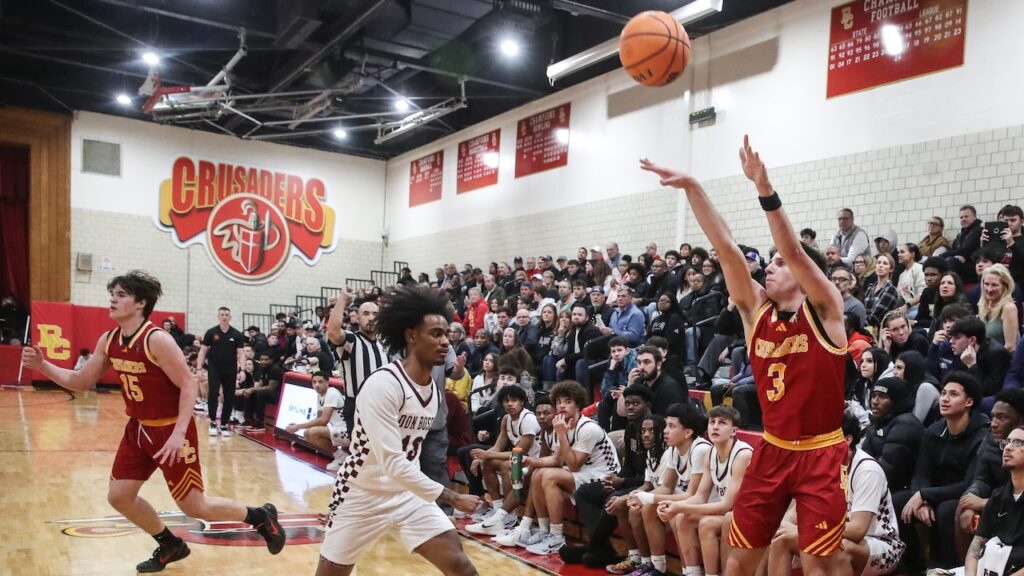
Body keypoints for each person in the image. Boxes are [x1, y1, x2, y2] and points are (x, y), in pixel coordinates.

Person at [641, 135, 849, 576]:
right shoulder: (756, 313)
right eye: (768, 264)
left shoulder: (827, 309)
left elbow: (792, 251)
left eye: (776, 265)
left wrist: (763, 187)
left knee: (819, 566)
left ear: (801, 274)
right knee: (738, 563)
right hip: (772, 450)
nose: (768, 267)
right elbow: (727, 250)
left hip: (820, 452)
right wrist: (693, 188)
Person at [21, 271, 285, 572]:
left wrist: (179, 433)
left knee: (194, 506)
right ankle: (170, 543)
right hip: (138, 429)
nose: (113, 299)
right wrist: (43, 365)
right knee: (119, 496)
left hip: (171, 429)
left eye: (121, 295)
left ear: (140, 303)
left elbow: (188, 384)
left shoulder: (156, 339)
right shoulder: (108, 340)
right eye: (113, 293)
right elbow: (81, 380)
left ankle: (260, 517)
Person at [318, 285, 480, 576]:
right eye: (436, 334)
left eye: (447, 334)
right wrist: (453, 497)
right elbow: (392, 463)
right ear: (411, 336)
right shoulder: (384, 385)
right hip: (362, 491)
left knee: (460, 566)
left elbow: (408, 459)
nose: (445, 342)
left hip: (406, 493)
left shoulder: (431, 388)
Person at [769, 412, 904, 576]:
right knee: (780, 539)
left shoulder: (867, 470)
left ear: (847, 440)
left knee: (836, 549)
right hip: (833, 534)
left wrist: (809, 529)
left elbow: (857, 530)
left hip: (880, 544)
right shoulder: (818, 463)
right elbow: (797, 510)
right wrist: (782, 526)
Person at [656, 406, 753, 576]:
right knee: (681, 518)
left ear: (733, 431)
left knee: (705, 524)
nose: (715, 426)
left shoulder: (743, 454)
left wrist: (680, 506)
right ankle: (691, 573)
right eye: (712, 422)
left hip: (746, 514)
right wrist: (672, 504)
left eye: (722, 423)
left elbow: (726, 505)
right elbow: (700, 496)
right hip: (727, 512)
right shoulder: (710, 453)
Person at [326, 286, 387, 441]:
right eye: (366, 313)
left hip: (383, 406)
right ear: (357, 318)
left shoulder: (384, 344)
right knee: (361, 455)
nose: (371, 317)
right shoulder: (352, 340)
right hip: (357, 405)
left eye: (375, 314)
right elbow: (333, 332)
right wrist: (343, 299)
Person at [963, 425, 1024, 576]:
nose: (1008, 447)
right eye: (1007, 442)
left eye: (1017, 442)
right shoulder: (998, 496)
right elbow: (974, 550)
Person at [196, 306, 245, 437]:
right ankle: (213, 422)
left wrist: (242, 370)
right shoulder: (211, 332)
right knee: (213, 394)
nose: (224, 317)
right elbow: (202, 351)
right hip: (214, 369)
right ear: (218, 316)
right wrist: (199, 368)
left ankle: (224, 424)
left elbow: (241, 354)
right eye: (222, 314)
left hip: (231, 370)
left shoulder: (237, 334)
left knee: (229, 396)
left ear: (230, 317)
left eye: (226, 315)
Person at [285, 371, 349, 470]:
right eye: (314, 382)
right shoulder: (320, 396)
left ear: (327, 382)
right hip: (337, 430)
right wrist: (298, 425)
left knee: (313, 432)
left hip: (347, 431)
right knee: (307, 434)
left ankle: (342, 458)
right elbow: (319, 419)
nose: (317, 385)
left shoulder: (332, 394)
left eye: (320, 382)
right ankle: (340, 456)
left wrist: (298, 427)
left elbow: (323, 420)